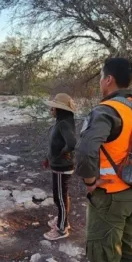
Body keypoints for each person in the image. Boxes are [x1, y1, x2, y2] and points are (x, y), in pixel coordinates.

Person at [67, 57, 132, 262]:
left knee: (104, 255)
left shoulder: (107, 110)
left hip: (109, 196)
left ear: (108, 79)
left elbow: (85, 150)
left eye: (101, 77)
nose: (100, 82)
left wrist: (88, 181)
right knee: (130, 247)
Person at [42, 93, 77, 241]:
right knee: (60, 196)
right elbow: (56, 144)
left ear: (60, 109)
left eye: (54, 107)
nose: (51, 110)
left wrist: (62, 154)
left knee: (60, 198)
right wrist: (48, 158)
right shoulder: (62, 121)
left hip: (62, 167)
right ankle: (63, 220)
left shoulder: (64, 123)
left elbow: (72, 143)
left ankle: (62, 228)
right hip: (58, 165)